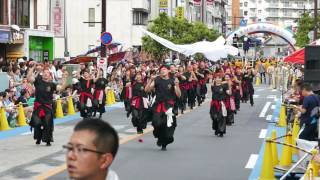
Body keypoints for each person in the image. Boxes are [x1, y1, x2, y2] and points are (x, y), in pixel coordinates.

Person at [27, 65, 68, 146]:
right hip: (38, 106)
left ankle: (48, 140)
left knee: (47, 123)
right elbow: (28, 78)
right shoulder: (38, 81)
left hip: (47, 107)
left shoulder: (52, 84)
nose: (45, 74)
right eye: (44, 73)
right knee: (37, 123)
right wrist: (32, 68)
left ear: (50, 75)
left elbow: (61, 88)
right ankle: (38, 137)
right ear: (42, 74)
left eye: (47, 73)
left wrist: (64, 78)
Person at [145, 65, 181, 151]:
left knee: (167, 126)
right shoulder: (157, 80)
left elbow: (179, 95)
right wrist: (150, 80)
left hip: (169, 107)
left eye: (164, 69)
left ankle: (164, 143)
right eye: (161, 70)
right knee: (156, 123)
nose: (162, 71)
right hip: (158, 105)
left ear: (168, 71)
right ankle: (159, 137)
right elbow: (147, 90)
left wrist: (177, 85)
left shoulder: (172, 80)